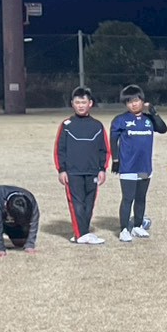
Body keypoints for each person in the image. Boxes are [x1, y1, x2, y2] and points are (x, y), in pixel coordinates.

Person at [110, 84, 167, 242]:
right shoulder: (120, 120)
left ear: (143, 101)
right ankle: (124, 229)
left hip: (144, 167)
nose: (133, 104)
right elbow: (113, 140)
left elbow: (163, 129)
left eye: (136, 100)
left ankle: (137, 226)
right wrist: (115, 160)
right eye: (129, 102)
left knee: (141, 197)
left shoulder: (149, 120)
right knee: (128, 198)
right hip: (128, 167)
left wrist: (154, 112)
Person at [54, 86, 110, 244]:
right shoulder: (66, 125)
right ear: (72, 104)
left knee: (89, 204)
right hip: (73, 172)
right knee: (76, 203)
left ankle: (82, 232)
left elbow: (104, 149)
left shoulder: (97, 125)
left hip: (92, 171)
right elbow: (59, 149)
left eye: (83, 102)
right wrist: (61, 170)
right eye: (77, 102)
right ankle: (82, 234)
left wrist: (102, 169)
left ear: (90, 103)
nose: (80, 106)